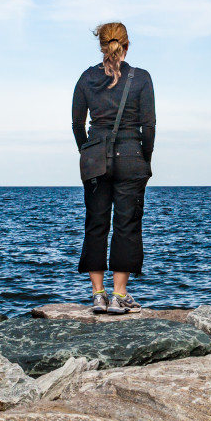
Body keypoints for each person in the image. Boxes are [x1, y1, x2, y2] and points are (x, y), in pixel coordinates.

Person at [71, 21, 156, 314]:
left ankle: (98, 295)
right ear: (127, 45)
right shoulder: (142, 78)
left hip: (95, 159)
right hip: (133, 156)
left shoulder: (86, 78)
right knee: (127, 225)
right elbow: (149, 125)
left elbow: (77, 124)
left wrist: (88, 149)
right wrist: (145, 157)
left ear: (101, 46)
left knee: (96, 224)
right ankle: (120, 295)